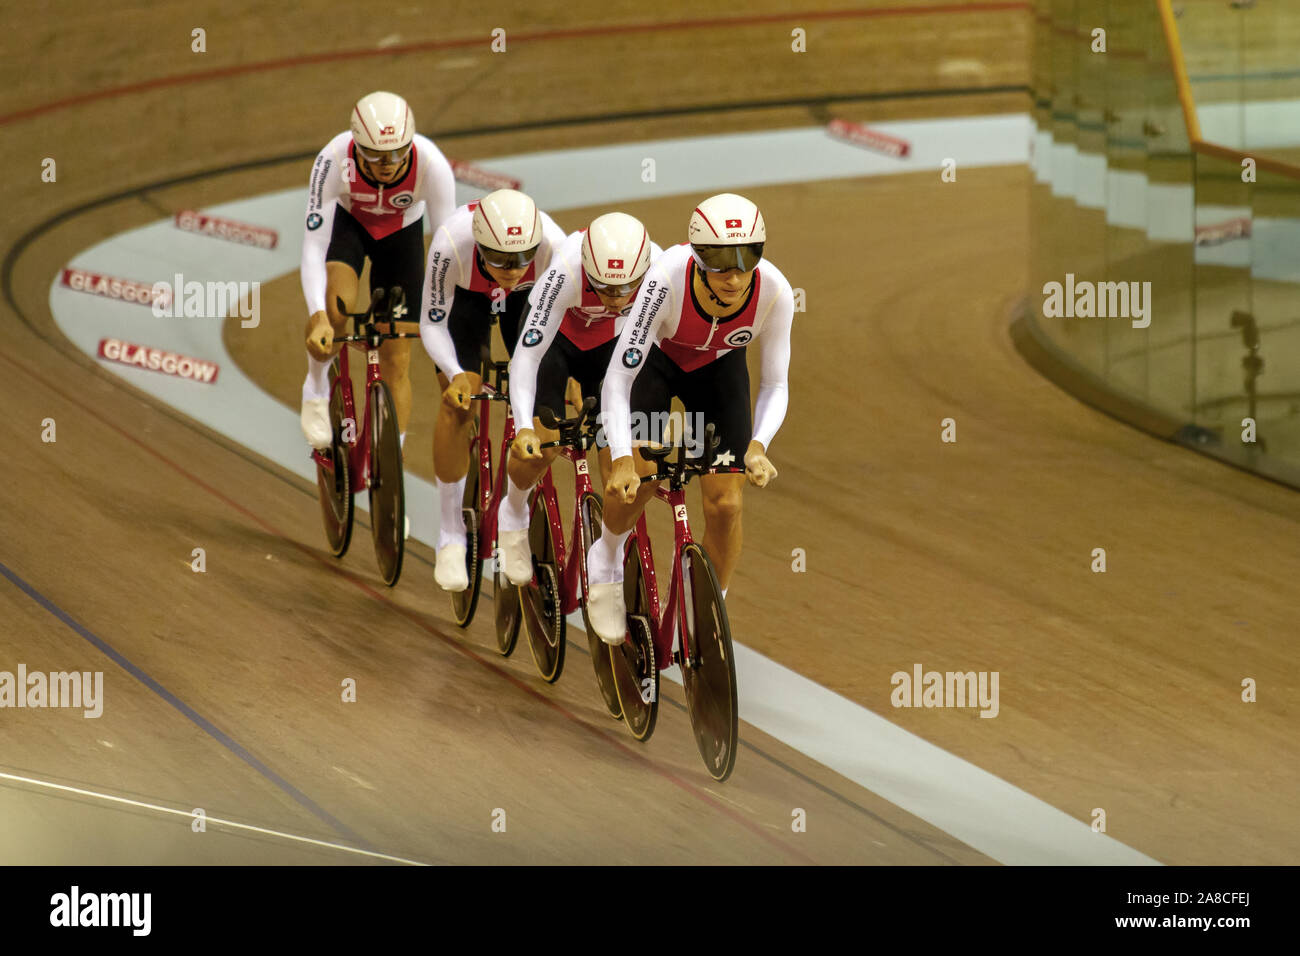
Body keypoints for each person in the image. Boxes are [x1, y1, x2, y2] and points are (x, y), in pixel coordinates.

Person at [583, 193, 793, 644]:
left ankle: (709, 606)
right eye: (720, 263)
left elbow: (775, 384)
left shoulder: (775, 291)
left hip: (718, 371)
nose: (735, 276)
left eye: (747, 258)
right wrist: (621, 456)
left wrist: (759, 444)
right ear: (697, 256)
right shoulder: (664, 281)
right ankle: (605, 556)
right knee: (641, 475)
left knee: (727, 504)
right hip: (655, 364)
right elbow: (618, 379)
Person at [497, 213, 664, 584]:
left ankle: (608, 559)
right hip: (557, 343)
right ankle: (511, 511)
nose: (617, 299)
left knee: (622, 470)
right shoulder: (565, 271)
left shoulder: (660, 271)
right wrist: (523, 426)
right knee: (544, 445)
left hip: (609, 351)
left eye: (626, 289)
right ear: (588, 269)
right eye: (605, 288)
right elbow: (526, 358)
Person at [417, 189, 567, 590]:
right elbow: (432, 323)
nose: (513, 268)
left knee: (548, 410)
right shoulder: (451, 243)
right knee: (459, 403)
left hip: (527, 305)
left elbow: (562, 326)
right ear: (480, 245)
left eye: (522, 257)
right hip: (468, 301)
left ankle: (513, 512)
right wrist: (453, 372)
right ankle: (449, 534)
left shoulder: (554, 246)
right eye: (500, 258)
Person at [299, 91, 456, 453]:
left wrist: (443, 325)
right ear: (356, 147)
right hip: (349, 226)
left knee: (397, 356)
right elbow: (313, 246)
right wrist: (317, 315)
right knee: (337, 311)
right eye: (374, 156)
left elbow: (447, 254)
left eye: (397, 154)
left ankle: (391, 462)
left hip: (402, 237)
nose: (387, 164)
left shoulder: (432, 164)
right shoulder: (334, 159)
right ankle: (317, 387)